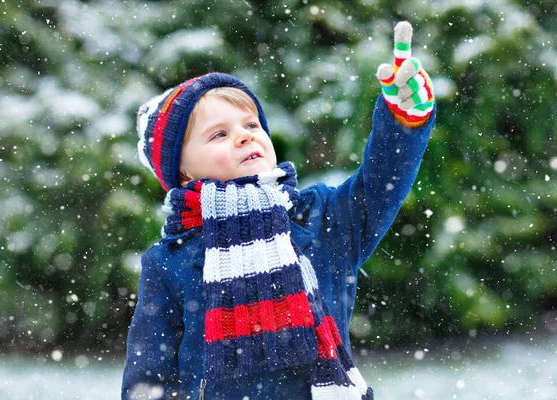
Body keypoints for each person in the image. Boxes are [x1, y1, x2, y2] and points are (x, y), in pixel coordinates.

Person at [122, 21, 436, 400]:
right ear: (183, 171)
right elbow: (148, 377)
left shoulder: (319, 219)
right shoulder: (170, 261)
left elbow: (381, 183)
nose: (244, 135)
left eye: (251, 123)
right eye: (219, 134)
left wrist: (401, 122)